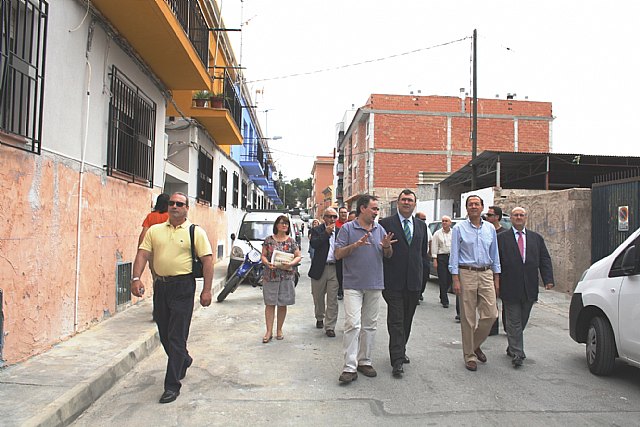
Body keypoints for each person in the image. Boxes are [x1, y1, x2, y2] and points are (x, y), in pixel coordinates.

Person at [131, 192, 213, 404]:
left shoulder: (196, 232)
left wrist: (207, 290)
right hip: (161, 286)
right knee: (165, 333)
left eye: (180, 204)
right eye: (172, 203)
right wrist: (135, 278)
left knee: (177, 336)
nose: (175, 206)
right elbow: (142, 254)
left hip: (183, 287)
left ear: (187, 208)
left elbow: (207, 262)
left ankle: (171, 385)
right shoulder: (155, 231)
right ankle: (183, 359)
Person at [335, 195, 395, 383]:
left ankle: (365, 361)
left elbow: (388, 255)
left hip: (375, 284)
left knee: (370, 325)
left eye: (377, 209)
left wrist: (386, 247)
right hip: (353, 284)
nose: (377, 213)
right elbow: (337, 254)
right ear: (362, 209)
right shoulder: (347, 228)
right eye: (374, 209)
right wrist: (355, 245)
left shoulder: (380, 229)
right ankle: (349, 367)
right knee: (353, 324)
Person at [379, 190, 428, 378]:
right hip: (393, 281)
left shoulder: (421, 226)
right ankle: (397, 360)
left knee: (407, 319)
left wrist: (422, 280)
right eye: (403, 200)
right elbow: (381, 253)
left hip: (414, 282)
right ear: (398, 203)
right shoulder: (385, 224)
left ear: (415, 204)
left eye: (410, 200)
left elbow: (422, 255)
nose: (407, 202)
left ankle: (401, 348)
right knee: (396, 320)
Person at [498, 207, 554, 368]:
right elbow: (497, 261)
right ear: (511, 218)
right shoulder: (502, 238)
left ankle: (512, 345)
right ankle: (518, 353)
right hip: (510, 286)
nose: (518, 217)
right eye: (515, 215)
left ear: (526, 218)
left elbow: (544, 259)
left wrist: (548, 279)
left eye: (521, 215)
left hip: (529, 286)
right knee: (514, 321)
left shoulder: (536, 238)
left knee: (522, 320)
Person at [449, 195, 500, 372]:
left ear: (482, 207)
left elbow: (495, 255)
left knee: (491, 315)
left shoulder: (490, 229)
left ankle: (475, 344)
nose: (473, 207)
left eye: (476, 204)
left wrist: (496, 278)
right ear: (466, 208)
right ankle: (469, 356)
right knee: (468, 318)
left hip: (486, 273)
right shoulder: (459, 228)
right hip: (466, 273)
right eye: (470, 204)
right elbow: (454, 255)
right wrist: (455, 278)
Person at [261, 215, 302, 343]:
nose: (284, 225)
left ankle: (279, 329)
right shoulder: (269, 240)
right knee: (270, 303)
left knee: (283, 303)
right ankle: (269, 331)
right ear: (276, 225)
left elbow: (298, 256)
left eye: (286, 223)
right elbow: (263, 255)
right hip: (271, 276)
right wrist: (267, 263)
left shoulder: (291, 241)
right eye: (281, 223)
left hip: (286, 276)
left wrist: (291, 264)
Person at [309, 207, 340, 337]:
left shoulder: (340, 231)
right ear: (324, 218)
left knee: (333, 299)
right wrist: (326, 233)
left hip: (334, 268)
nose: (332, 219)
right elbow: (314, 244)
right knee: (318, 296)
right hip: (319, 268)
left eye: (334, 217)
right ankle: (319, 317)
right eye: (329, 216)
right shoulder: (317, 230)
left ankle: (330, 326)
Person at [486, 206, 508, 336]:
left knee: (506, 301)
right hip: (489, 271)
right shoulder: (485, 231)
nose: (487, 218)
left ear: (497, 217)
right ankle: (492, 327)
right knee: (490, 300)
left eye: (490, 215)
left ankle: (508, 327)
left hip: (503, 271)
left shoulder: (504, 234)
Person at [138, 193, 170, 282]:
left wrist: (140, 251)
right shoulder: (170, 217)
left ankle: (158, 294)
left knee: (156, 278)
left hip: (153, 251)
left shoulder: (150, 216)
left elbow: (143, 234)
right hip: (167, 250)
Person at [432, 216, 453, 309]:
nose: (444, 223)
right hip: (441, 258)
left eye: (446, 221)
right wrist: (434, 259)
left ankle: (442, 293)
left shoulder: (454, 233)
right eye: (443, 221)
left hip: (451, 257)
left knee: (449, 279)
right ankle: (445, 300)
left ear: (450, 223)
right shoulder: (437, 234)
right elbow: (434, 246)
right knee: (443, 279)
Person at [415, 212, 431, 305]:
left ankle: (420, 292)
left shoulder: (426, 228)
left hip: (425, 256)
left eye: (425, 219)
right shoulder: (415, 227)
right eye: (422, 219)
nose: (424, 221)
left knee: (425, 276)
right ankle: (416, 295)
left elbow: (430, 240)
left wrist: (429, 254)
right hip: (417, 256)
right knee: (418, 276)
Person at [335, 207, 349, 300]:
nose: (343, 214)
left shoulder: (349, 224)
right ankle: (340, 290)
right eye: (341, 212)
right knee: (339, 272)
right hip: (340, 251)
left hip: (349, 252)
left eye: (345, 212)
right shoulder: (335, 225)